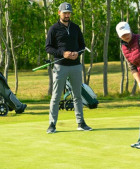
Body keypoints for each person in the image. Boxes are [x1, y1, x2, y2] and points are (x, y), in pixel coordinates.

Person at [45, 2, 92, 134]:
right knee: (56, 96)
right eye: (65, 13)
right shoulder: (53, 29)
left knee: (77, 96)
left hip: (76, 66)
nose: (67, 15)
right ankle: (52, 124)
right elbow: (48, 47)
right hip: (60, 67)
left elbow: (83, 46)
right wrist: (63, 53)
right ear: (59, 13)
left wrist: (78, 53)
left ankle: (80, 123)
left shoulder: (76, 28)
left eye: (69, 13)